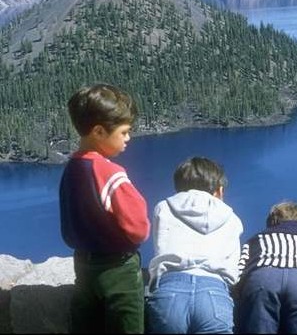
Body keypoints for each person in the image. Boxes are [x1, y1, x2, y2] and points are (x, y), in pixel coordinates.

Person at [59, 83, 150, 334]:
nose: (128, 139)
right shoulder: (110, 173)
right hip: (118, 270)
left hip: (84, 266)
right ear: (99, 131)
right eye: (124, 132)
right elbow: (138, 228)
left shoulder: (72, 168)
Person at [145, 156, 243, 334]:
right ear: (220, 191)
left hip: (170, 290)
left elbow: (160, 244)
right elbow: (233, 270)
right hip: (214, 293)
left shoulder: (163, 208)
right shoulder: (232, 219)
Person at [235, 200, 297, 334]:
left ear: (272, 222)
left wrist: (237, 290)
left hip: (262, 277)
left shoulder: (257, 239)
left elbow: (241, 265)